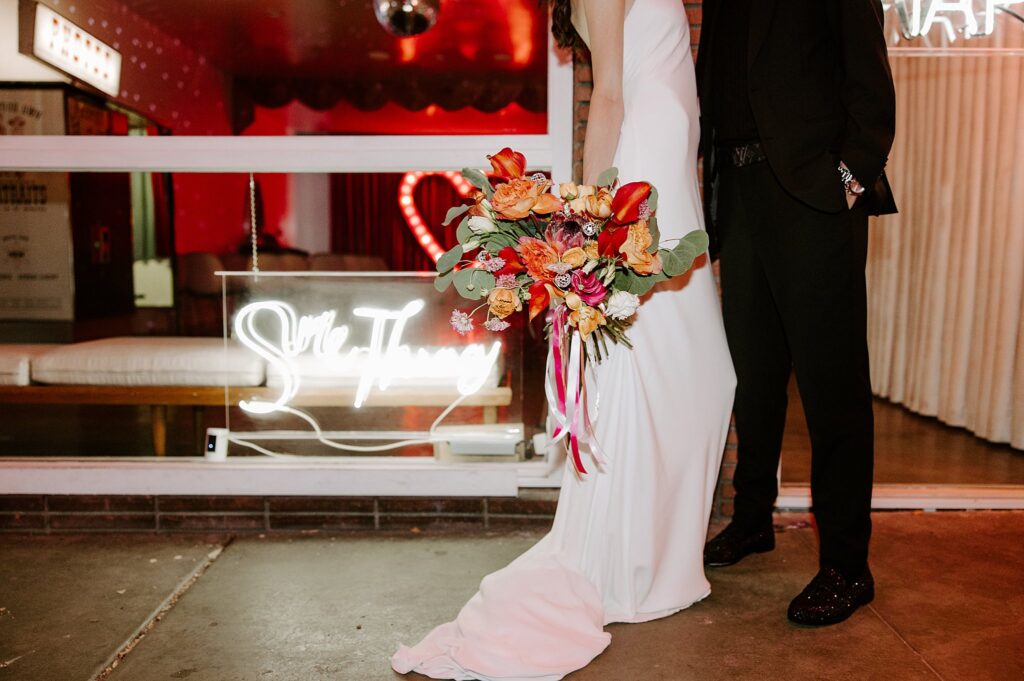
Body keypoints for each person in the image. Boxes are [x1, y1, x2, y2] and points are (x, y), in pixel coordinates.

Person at [391, 0, 736, 677]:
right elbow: (606, 94)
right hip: (645, 168)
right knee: (660, 365)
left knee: (682, 371)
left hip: (665, 153)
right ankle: (636, 567)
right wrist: (585, 217)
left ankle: (659, 560)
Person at [697, 0, 897, 626]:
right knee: (754, 376)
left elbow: (871, 88)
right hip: (739, 195)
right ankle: (753, 519)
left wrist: (846, 180)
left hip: (813, 200)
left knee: (830, 384)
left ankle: (847, 564)